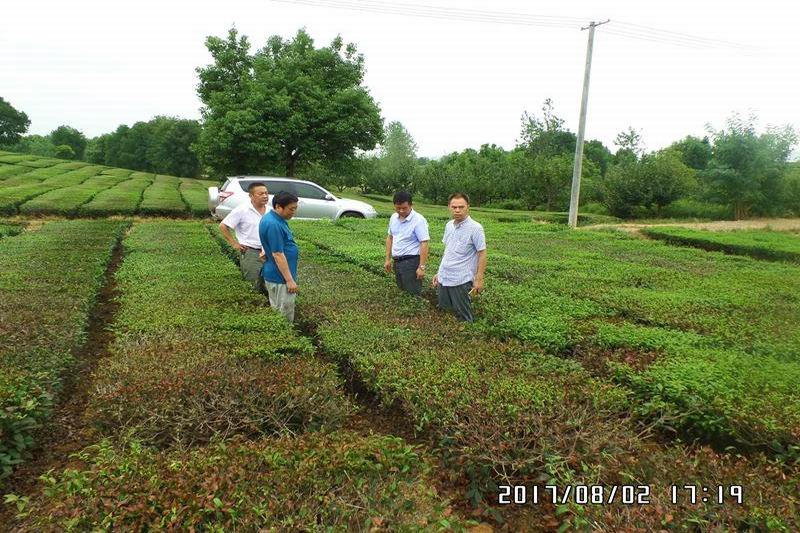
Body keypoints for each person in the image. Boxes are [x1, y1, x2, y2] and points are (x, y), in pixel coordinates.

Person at [432, 192, 487, 322]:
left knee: (463, 317)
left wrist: (479, 279)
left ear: (468, 207)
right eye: (454, 207)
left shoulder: (476, 228)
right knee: (445, 312)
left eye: (461, 207)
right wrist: (439, 272)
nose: (457, 210)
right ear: (449, 207)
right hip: (445, 277)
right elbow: (448, 251)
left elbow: (482, 253)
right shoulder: (449, 225)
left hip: (461, 280)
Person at [219, 182, 269, 294]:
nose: (265, 196)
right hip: (251, 252)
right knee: (253, 284)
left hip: (269, 252)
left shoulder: (270, 211)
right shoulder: (242, 210)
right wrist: (234, 243)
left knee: (269, 284)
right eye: (261, 194)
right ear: (251, 196)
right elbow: (223, 226)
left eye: (266, 193)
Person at [259, 191, 300, 322]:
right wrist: (289, 280)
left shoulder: (275, 219)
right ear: (278, 206)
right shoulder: (274, 224)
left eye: (295, 208)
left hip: (276, 275)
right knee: (284, 316)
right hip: (280, 278)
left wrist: (266, 251)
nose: (293, 212)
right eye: (291, 209)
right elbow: (278, 254)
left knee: (277, 311)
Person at [384, 190, 430, 296]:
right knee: (402, 290)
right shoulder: (393, 218)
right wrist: (387, 259)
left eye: (404, 208)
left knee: (412, 293)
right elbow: (390, 237)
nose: (401, 211)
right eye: (398, 208)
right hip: (397, 261)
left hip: (411, 262)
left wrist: (421, 267)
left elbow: (424, 243)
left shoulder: (418, 220)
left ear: (411, 205)